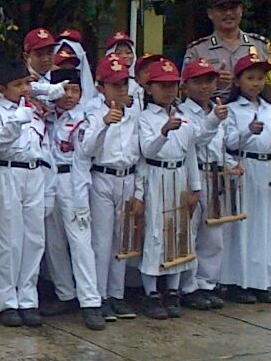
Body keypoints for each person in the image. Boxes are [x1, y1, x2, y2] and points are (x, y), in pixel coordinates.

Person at [39, 69, 106, 330]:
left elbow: (82, 158)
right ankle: (65, 293)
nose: (69, 96)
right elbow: (29, 89)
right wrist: (48, 91)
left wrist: (79, 198)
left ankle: (91, 302)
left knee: (80, 241)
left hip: (72, 181)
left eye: (74, 90)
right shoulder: (45, 114)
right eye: (64, 89)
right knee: (53, 240)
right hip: (47, 178)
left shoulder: (84, 118)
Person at [136, 59, 202, 319]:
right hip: (156, 174)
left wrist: (195, 187)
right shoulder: (145, 118)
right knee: (156, 232)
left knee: (178, 232)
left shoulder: (183, 117)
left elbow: (191, 154)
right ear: (150, 88)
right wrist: (163, 132)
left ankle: (173, 289)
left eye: (172, 85)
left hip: (179, 175)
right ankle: (151, 291)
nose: (168, 91)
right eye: (162, 86)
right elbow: (147, 151)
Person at [82, 53, 143, 321]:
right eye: (114, 84)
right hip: (103, 176)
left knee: (123, 238)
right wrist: (104, 124)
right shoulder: (93, 113)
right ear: (100, 87)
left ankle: (117, 294)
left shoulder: (134, 115)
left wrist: (139, 191)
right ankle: (100, 295)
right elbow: (87, 149)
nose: (120, 89)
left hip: (127, 176)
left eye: (123, 84)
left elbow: (139, 154)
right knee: (102, 239)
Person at [0, 60, 49, 327]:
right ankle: (6, 301)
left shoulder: (35, 109)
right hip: (9, 171)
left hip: (34, 172)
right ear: (3, 88)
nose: (24, 89)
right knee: (9, 238)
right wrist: (16, 121)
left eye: (27, 83)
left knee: (34, 238)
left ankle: (28, 297)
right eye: (17, 85)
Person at [220, 54, 271, 304]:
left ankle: (263, 280)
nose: (256, 84)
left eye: (259, 79)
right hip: (244, 165)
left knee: (266, 225)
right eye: (250, 78)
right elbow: (228, 142)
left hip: (267, 168)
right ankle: (238, 281)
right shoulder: (233, 110)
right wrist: (248, 132)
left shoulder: (270, 111)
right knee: (244, 225)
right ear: (238, 81)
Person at [178, 58, 231, 310]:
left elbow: (221, 146)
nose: (204, 87)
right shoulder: (181, 112)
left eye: (209, 81)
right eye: (197, 81)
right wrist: (212, 121)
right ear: (186, 85)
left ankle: (207, 283)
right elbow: (195, 141)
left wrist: (230, 164)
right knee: (190, 232)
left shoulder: (217, 107)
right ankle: (188, 286)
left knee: (213, 235)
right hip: (192, 175)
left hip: (214, 174)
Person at [184, 0, 271, 111]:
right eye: (222, 9)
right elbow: (184, 92)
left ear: (241, 10)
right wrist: (213, 84)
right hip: (210, 119)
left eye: (233, 8)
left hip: (252, 121)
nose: (228, 13)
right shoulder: (197, 50)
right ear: (210, 13)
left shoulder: (260, 45)